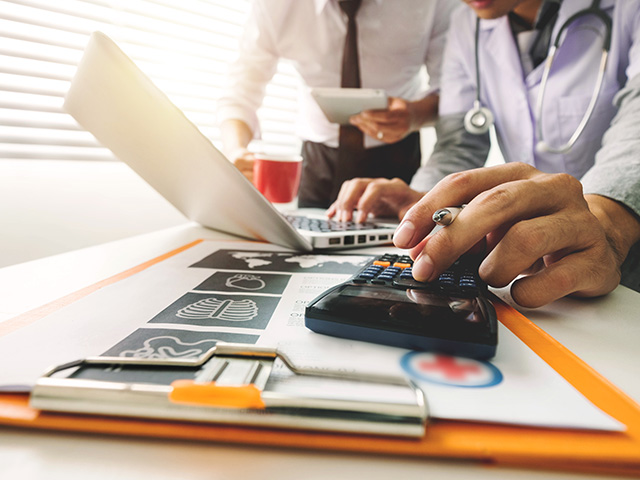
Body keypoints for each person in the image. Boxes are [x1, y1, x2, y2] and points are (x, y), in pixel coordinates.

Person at [328, 0, 640, 307]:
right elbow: (460, 141)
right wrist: (427, 197)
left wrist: (605, 222)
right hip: (536, 256)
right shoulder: (467, 23)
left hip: (623, 239)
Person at [217, 0, 457, 208]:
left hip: (397, 156)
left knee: (396, 252)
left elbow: (454, 92)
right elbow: (241, 90)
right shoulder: (275, 6)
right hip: (317, 162)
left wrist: (415, 114)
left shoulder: (434, 4)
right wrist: (236, 150)